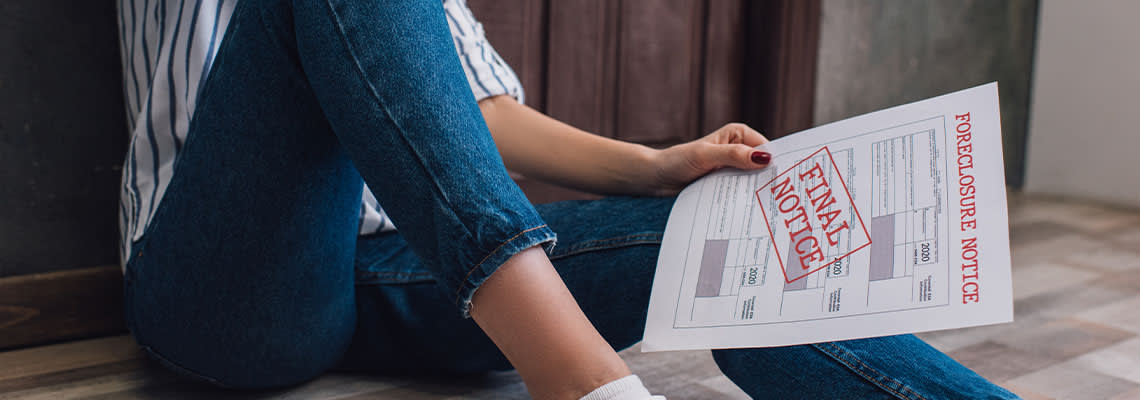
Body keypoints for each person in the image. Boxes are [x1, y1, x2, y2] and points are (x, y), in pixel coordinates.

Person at [114, 0, 1019, 398]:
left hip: (417, 263)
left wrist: (657, 168)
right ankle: (584, 384)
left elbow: (476, 108)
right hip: (233, 284)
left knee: (721, 233)